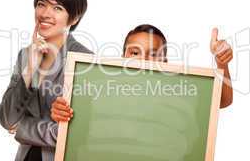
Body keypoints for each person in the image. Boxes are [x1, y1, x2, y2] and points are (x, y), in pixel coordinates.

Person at [51, 24, 233, 126]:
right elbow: (74, 115)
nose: (144, 60)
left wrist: (221, 62)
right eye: (135, 53)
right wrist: (59, 112)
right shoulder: (103, 89)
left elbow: (223, 100)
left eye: (154, 54)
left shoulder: (177, 90)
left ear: (165, 62)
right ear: (123, 57)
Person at [0, 0, 91, 161]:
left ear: (75, 17)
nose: (45, 13)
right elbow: (7, 119)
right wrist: (30, 68)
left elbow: (77, 134)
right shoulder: (25, 55)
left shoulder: (84, 61)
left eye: (58, 8)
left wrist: (22, 128)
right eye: (42, 4)